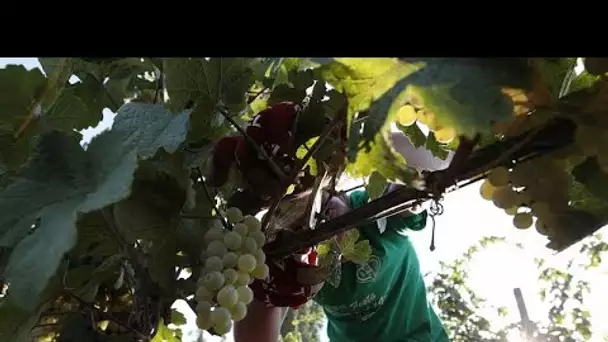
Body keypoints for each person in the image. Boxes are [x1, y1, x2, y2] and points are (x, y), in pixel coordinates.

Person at [234, 131, 454, 342]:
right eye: (294, 214)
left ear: (332, 187)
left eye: (316, 202)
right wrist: (265, 277)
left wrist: (349, 145)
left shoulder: (374, 206)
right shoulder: (296, 259)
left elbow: (426, 161)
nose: (316, 219)